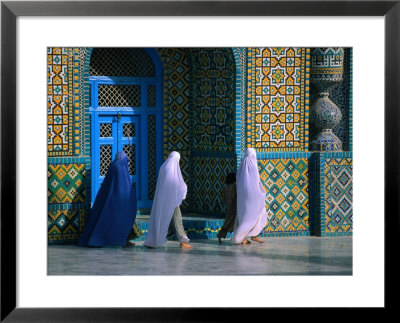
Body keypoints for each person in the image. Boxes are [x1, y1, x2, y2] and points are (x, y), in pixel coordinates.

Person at [78, 151, 137, 247]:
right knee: (123, 219)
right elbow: (124, 188)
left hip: (108, 200)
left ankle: (97, 240)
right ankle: (121, 241)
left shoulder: (113, 166)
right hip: (121, 202)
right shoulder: (121, 167)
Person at [144, 151, 192, 249]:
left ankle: (153, 240)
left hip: (162, 200)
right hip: (172, 200)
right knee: (177, 219)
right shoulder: (172, 168)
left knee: (160, 218)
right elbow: (176, 184)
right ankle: (183, 241)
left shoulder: (163, 167)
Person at [231, 148, 267, 245]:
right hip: (253, 197)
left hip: (242, 197)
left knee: (244, 217)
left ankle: (245, 238)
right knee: (258, 214)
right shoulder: (252, 164)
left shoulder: (241, 166)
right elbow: (256, 182)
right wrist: (262, 192)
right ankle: (245, 237)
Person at [217, 172, 237, 244]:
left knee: (227, 221)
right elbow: (235, 197)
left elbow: (224, 198)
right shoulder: (234, 187)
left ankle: (220, 235)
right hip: (234, 207)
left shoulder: (226, 187)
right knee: (233, 222)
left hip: (229, 206)